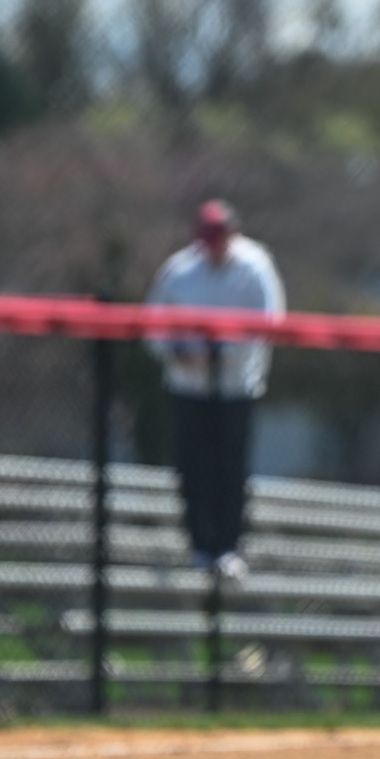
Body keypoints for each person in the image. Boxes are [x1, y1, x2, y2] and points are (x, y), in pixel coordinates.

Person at [144, 200, 285, 578]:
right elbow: (153, 322)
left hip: (236, 387)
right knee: (191, 467)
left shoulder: (255, 266)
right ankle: (199, 546)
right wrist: (177, 353)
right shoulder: (180, 269)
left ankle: (228, 547)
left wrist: (220, 354)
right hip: (187, 385)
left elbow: (268, 324)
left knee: (230, 468)